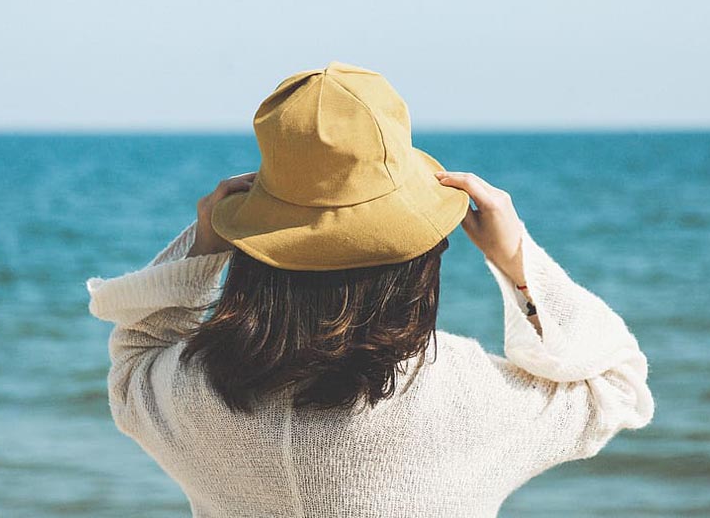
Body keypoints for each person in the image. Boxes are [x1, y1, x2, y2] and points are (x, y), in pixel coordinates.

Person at [86, 61, 655, 517]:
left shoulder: (193, 391)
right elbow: (617, 385)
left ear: (256, 246)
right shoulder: (465, 395)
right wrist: (516, 259)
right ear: (419, 253)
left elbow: (134, 357)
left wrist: (205, 245)